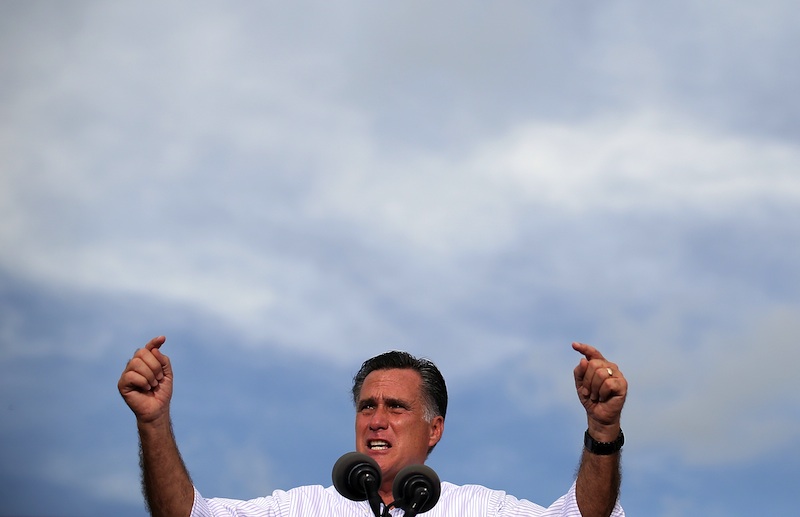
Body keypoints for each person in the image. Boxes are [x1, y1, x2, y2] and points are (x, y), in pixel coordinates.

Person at [118, 336, 627, 517]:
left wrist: (602, 431)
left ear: (434, 430)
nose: (376, 420)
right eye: (366, 407)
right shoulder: (302, 509)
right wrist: (154, 423)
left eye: (396, 407)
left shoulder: (481, 508)